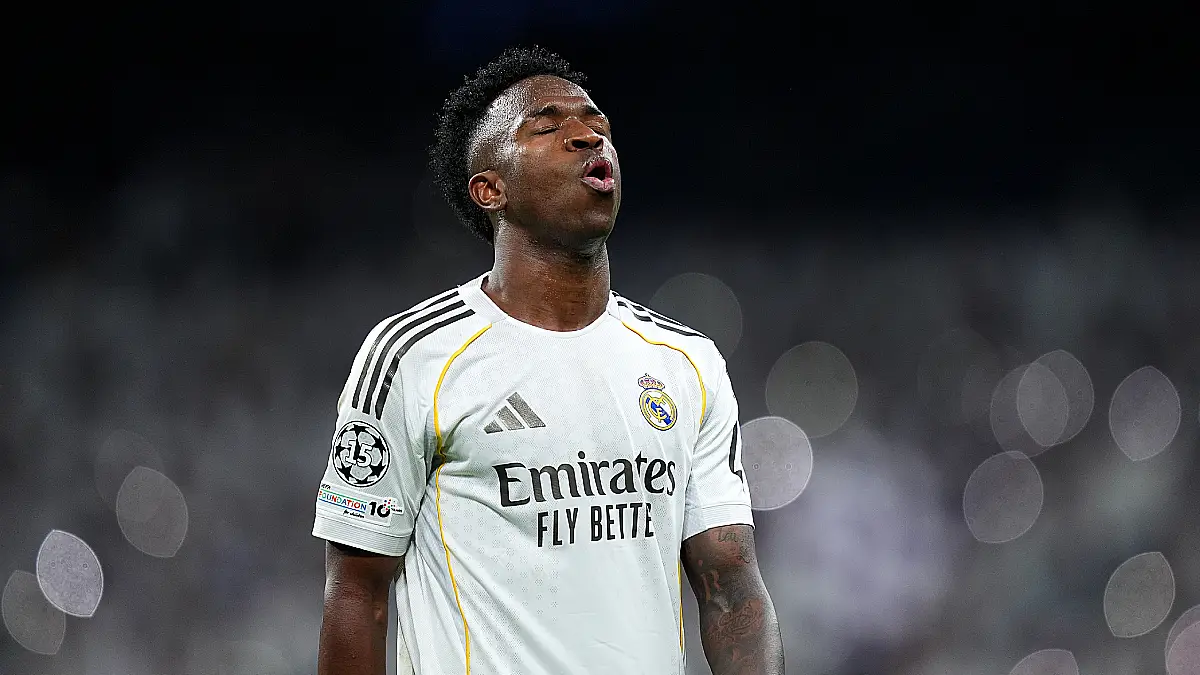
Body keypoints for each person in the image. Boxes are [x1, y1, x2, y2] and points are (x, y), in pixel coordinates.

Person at [313, 45, 784, 675]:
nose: (588, 134)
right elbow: (357, 597)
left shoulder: (686, 362)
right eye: (548, 126)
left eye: (598, 124)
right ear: (491, 188)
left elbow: (732, 592)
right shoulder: (413, 356)